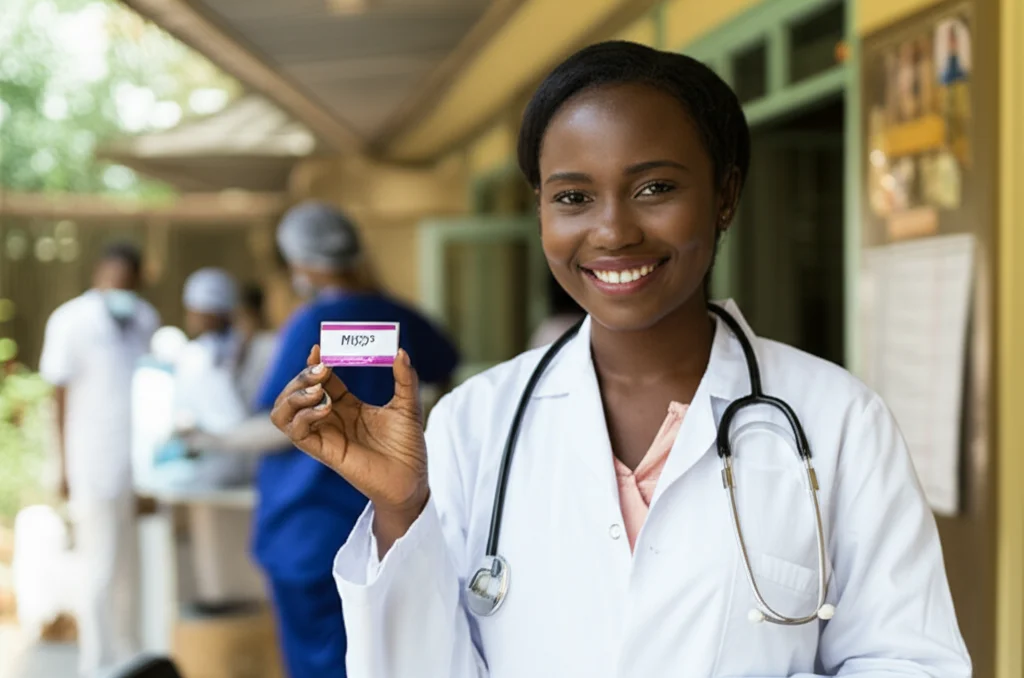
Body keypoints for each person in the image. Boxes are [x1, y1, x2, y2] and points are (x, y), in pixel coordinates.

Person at [270, 42, 971, 677]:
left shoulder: (839, 421)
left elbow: (911, 661)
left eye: (655, 188)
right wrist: (399, 511)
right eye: (573, 197)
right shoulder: (474, 424)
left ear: (725, 196)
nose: (612, 231)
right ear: (542, 210)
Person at [188, 201, 460, 678]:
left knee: (320, 660)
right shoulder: (401, 319)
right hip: (389, 524)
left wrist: (209, 439)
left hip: (309, 526)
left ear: (301, 262)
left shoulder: (311, 325)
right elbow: (445, 381)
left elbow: (280, 423)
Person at [39, 242, 160, 678]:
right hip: (90, 461)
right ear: (99, 273)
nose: (120, 288)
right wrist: (61, 466)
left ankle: (129, 656)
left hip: (137, 465)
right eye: (114, 278)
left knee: (132, 566)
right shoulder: (70, 320)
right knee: (100, 565)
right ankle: (98, 662)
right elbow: (58, 394)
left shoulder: (144, 319)